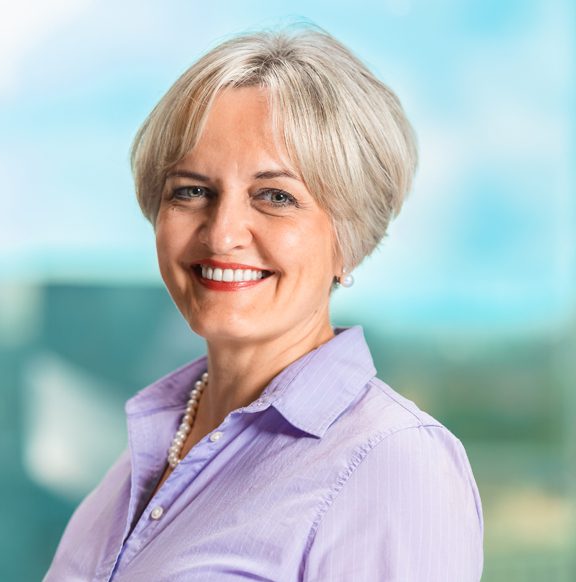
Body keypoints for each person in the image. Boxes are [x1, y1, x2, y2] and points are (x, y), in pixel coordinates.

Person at [44, 27, 483, 581]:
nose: (222, 233)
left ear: (348, 238)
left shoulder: (391, 464)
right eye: (191, 190)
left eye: (275, 196)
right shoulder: (146, 455)